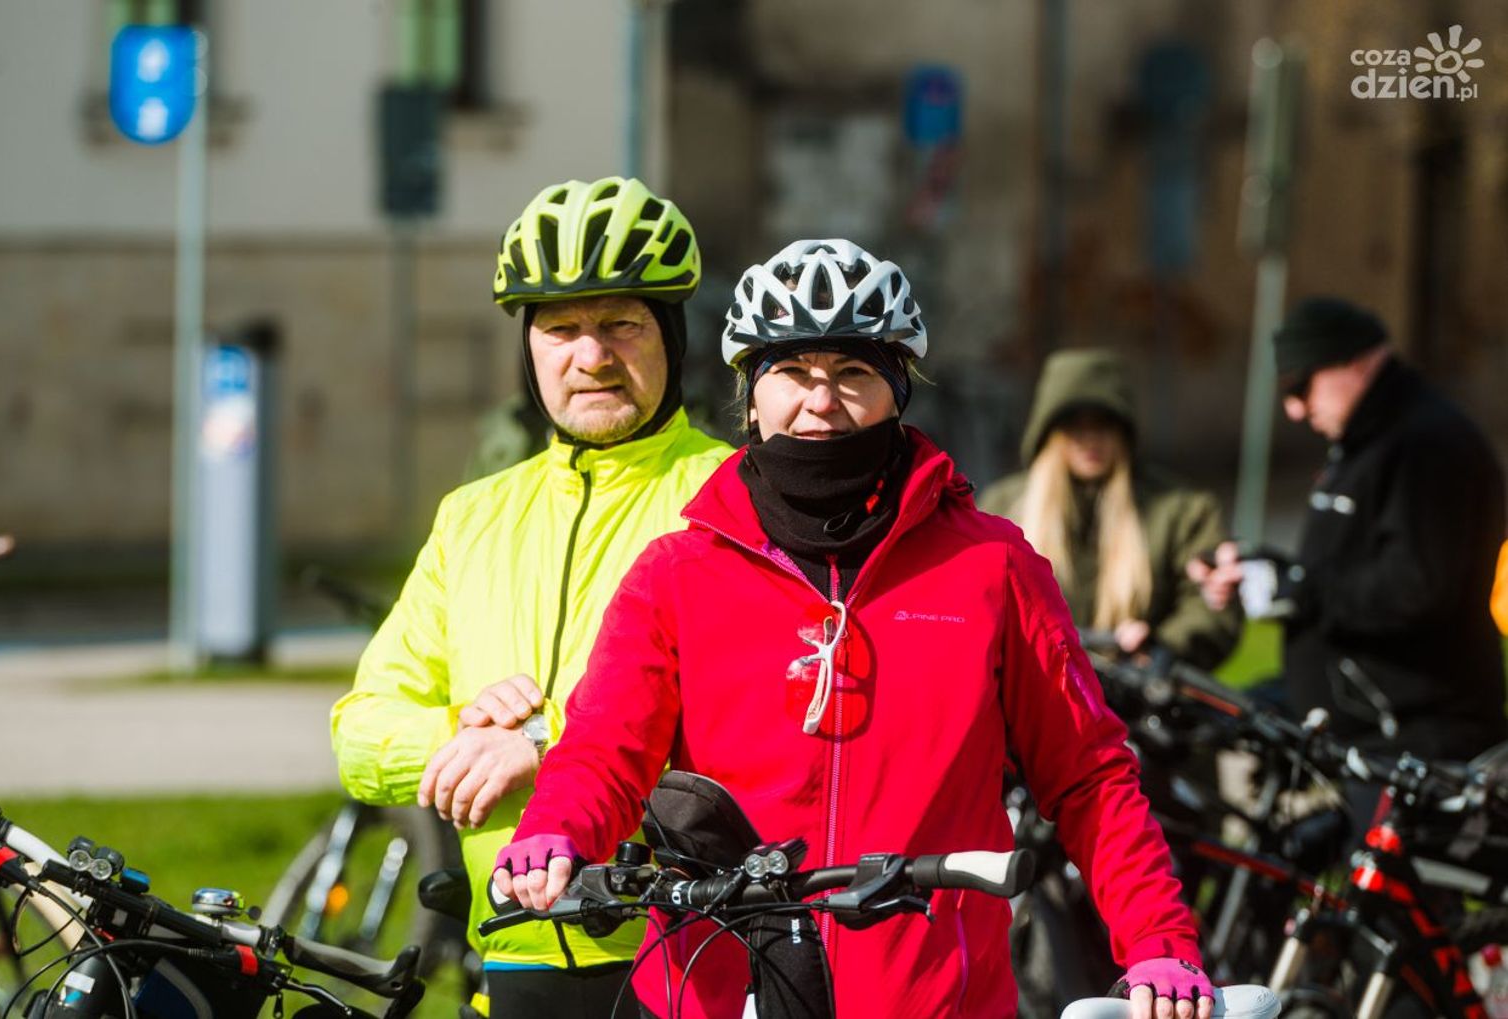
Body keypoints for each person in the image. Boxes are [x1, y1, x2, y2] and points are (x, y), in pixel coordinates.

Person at [492, 239, 1212, 1019]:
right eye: (792, 371)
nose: (821, 401)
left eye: (853, 373)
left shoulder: (992, 567)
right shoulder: (677, 573)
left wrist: (1158, 940)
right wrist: (554, 827)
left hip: (935, 1002)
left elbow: (1090, 777)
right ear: (751, 395)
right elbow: (604, 750)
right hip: (722, 995)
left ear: (898, 391)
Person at [330, 177, 732, 1018]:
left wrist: (548, 742)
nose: (592, 356)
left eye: (621, 324)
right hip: (510, 955)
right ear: (529, 345)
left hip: (686, 952)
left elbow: (752, 725)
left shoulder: (731, 497)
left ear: (672, 334)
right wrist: (470, 735)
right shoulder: (472, 515)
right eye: (561, 328)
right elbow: (360, 735)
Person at [1190, 296, 1507, 761]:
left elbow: (1416, 589)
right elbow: (1346, 564)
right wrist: (1266, 569)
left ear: (1356, 362)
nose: (1295, 410)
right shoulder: (1366, 438)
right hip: (1356, 731)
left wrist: (1301, 589)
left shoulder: (1427, 445)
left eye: (1301, 387)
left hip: (1416, 745)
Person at [979, 349, 1241, 669]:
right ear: (1049, 432)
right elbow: (969, 600)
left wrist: (1162, 645)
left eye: (1103, 424)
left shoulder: (1181, 511)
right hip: (1030, 684)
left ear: (1123, 430)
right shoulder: (1001, 508)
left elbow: (1210, 604)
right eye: (1075, 425)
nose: (1090, 439)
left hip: (1138, 689)